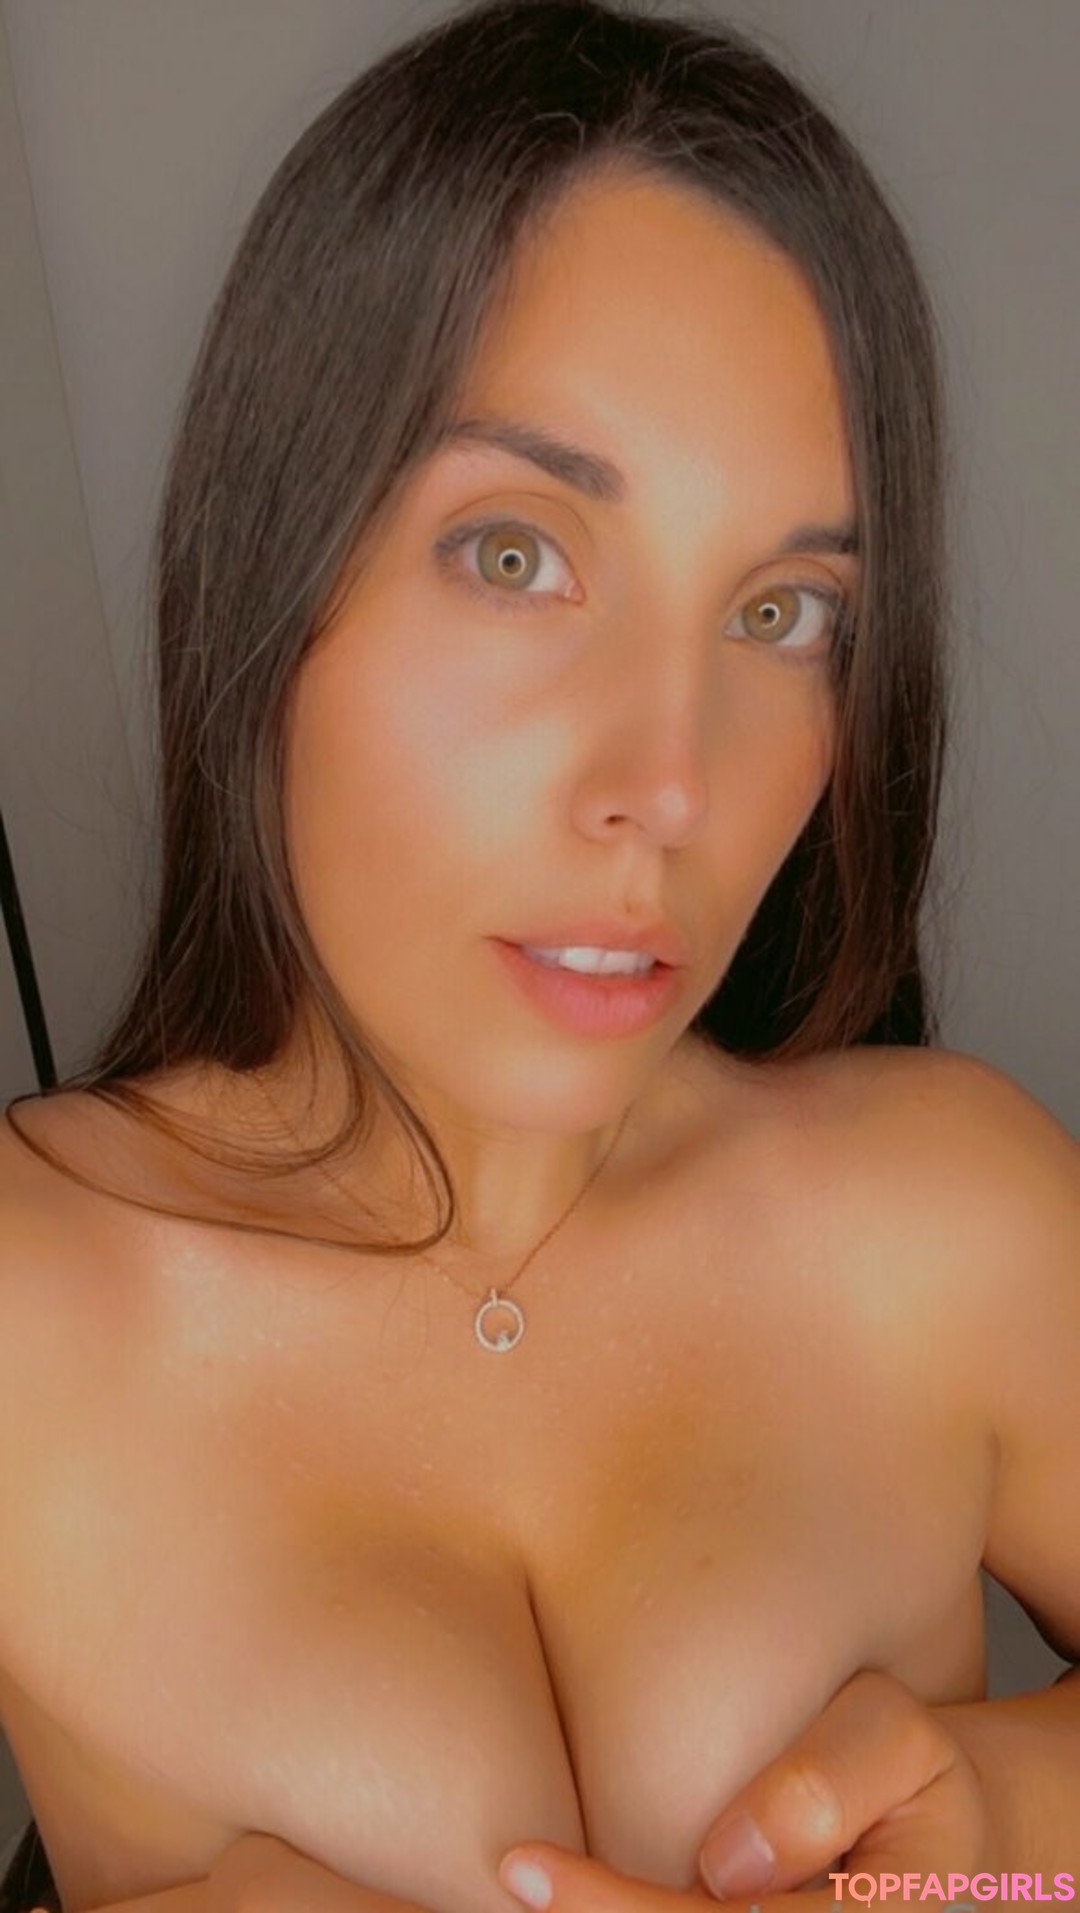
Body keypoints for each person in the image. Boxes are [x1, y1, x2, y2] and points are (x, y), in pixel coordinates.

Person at [1, 0, 1077, 1907]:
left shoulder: (954, 1208)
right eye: (516, 555)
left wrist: (988, 1851)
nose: (672, 783)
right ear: (276, 573)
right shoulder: (32, 1315)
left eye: (783, 612)